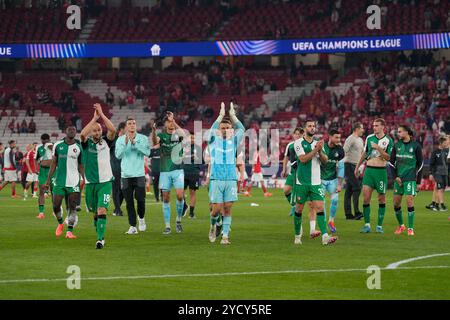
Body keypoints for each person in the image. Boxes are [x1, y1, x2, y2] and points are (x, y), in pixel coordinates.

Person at [292, 120, 337, 245]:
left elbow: (325, 161)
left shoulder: (318, 143)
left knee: (320, 207)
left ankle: (325, 237)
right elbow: (303, 159)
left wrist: (320, 151)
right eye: (309, 126)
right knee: (299, 209)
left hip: (316, 182)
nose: (312, 128)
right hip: (302, 182)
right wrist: (316, 149)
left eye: (314, 126)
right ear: (305, 128)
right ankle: (297, 237)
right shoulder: (298, 143)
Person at [80, 103, 116, 249]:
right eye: (94, 131)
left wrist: (101, 115)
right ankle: (99, 233)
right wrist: (93, 119)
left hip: (105, 183)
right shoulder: (86, 143)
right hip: (90, 184)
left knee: (102, 209)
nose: (97, 132)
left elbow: (112, 130)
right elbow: (82, 134)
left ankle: (100, 239)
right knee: (95, 213)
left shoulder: (106, 142)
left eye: (99, 130)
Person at [208, 102, 244, 245]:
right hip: (216, 178)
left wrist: (233, 115)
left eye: (228, 128)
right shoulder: (213, 140)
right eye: (222, 128)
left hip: (230, 178)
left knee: (228, 207)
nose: (224, 130)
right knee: (216, 210)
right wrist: (221, 115)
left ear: (231, 130)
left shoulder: (234, 141)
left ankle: (225, 236)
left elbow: (242, 128)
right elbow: (212, 129)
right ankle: (213, 226)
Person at [44, 126, 84, 239]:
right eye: (69, 129)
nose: (71, 131)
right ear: (65, 131)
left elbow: (81, 166)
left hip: (74, 181)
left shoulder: (78, 147)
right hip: (59, 181)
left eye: (74, 130)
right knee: (56, 206)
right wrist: (48, 180)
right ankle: (60, 223)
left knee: (72, 207)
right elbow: (53, 163)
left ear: (76, 132)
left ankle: (69, 231)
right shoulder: (57, 145)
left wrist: (84, 179)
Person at [355, 118, 394, 234]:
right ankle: (367, 225)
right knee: (366, 198)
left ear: (383, 126)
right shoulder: (369, 138)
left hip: (381, 172)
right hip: (369, 171)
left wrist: (378, 148)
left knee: (381, 199)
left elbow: (388, 157)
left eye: (377, 125)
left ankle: (379, 226)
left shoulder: (388, 140)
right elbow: (365, 153)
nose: (374, 127)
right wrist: (357, 167)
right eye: (373, 125)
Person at [151, 111, 186, 234]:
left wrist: (174, 121)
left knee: (180, 195)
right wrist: (154, 131)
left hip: (178, 169)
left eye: (171, 121)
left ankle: (178, 221)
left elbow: (184, 135)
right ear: (165, 124)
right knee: (165, 198)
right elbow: (155, 142)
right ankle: (167, 226)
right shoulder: (161, 135)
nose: (170, 123)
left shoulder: (178, 134)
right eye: (168, 121)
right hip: (165, 171)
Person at [115, 117, 150, 235]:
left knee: (141, 199)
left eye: (134, 123)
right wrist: (125, 145)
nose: (132, 125)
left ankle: (141, 218)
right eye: (129, 123)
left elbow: (147, 152)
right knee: (129, 202)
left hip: (139, 174)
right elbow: (118, 156)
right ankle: (132, 226)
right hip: (125, 175)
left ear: (136, 125)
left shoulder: (143, 138)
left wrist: (135, 144)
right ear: (126, 127)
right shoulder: (120, 140)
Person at [390, 125, 423, 236]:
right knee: (396, 203)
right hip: (398, 178)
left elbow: (421, 164)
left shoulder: (416, 146)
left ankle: (410, 228)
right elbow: (391, 163)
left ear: (407, 132)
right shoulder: (396, 146)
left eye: (400, 131)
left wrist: (418, 182)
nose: (398, 133)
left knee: (409, 200)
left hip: (410, 178)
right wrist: (395, 177)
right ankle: (401, 226)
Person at [321, 129, 345, 233]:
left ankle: (331, 221)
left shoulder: (340, 150)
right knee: (321, 203)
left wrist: (340, 184)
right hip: (320, 179)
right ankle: (324, 222)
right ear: (330, 137)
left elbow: (341, 167)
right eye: (336, 137)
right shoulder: (322, 147)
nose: (338, 140)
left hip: (333, 179)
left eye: (339, 138)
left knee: (335, 200)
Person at [343, 122, 365, 220]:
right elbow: (344, 150)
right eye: (362, 128)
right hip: (349, 165)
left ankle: (348, 214)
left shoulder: (360, 140)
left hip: (356, 166)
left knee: (349, 190)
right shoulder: (350, 139)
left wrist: (360, 167)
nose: (363, 130)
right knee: (357, 188)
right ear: (357, 129)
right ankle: (357, 212)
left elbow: (361, 154)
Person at [281, 127, 303, 216]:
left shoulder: (304, 145)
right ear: (293, 135)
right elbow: (286, 157)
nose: (297, 135)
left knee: (297, 192)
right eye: (296, 134)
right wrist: (284, 169)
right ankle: (294, 206)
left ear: (302, 135)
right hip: (292, 171)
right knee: (286, 190)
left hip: (301, 172)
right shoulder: (290, 145)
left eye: (299, 134)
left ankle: (296, 208)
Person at [182, 134, 202, 219]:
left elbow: (202, 161)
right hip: (183, 172)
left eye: (194, 137)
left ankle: (191, 212)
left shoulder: (198, 148)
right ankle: (184, 205)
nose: (192, 139)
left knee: (192, 193)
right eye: (190, 137)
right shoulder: (183, 147)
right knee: (180, 192)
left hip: (194, 172)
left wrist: (196, 158)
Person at [35, 134, 53, 219]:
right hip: (42, 171)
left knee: (54, 192)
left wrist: (50, 146)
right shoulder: (38, 148)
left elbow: (58, 156)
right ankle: (41, 212)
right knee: (42, 191)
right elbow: (36, 159)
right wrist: (36, 169)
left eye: (47, 140)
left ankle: (56, 210)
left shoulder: (53, 146)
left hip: (53, 171)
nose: (46, 142)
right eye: (44, 140)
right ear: (41, 140)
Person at [428, 136, 449, 212]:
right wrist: (430, 173)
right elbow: (431, 163)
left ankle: (435, 204)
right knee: (439, 188)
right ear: (441, 143)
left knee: (441, 189)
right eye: (445, 143)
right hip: (437, 172)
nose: (446, 144)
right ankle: (442, 205)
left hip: (444, 172)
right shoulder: (435, 152)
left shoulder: (446, 151)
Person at [110, 122, 125, 216]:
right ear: (122, 129)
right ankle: (118, 210)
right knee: (115, 189)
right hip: (115, 167)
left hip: (124, 167)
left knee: (124, 189)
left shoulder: (126, 139)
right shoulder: (113, 139)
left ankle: (116, 209)